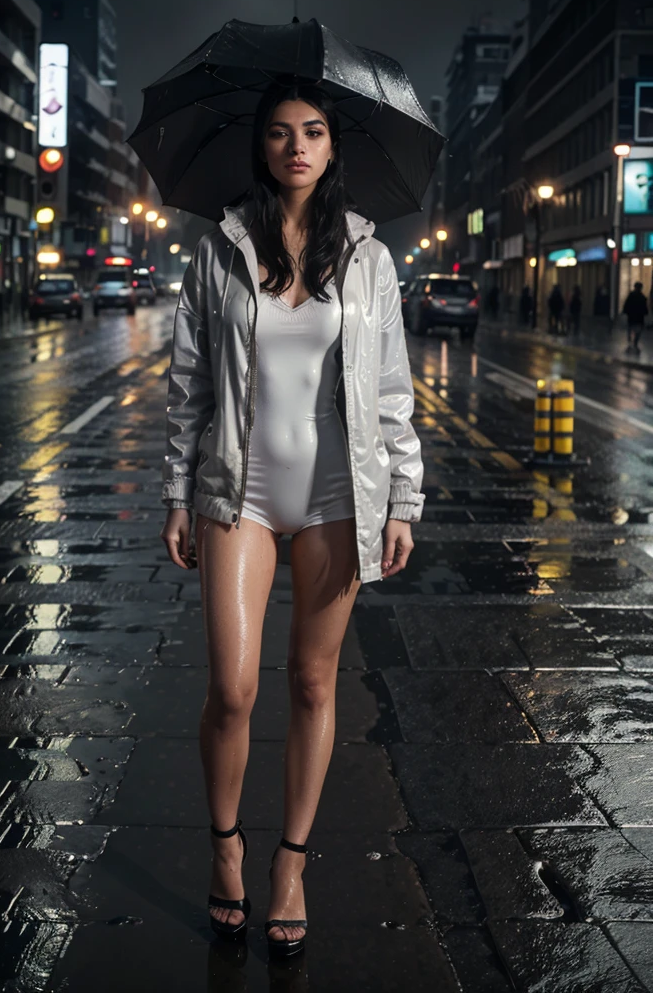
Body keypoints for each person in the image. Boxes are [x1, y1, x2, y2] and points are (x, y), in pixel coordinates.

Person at [160, 82, 424, 958]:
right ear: (261, 148)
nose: (296, 147)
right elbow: (189, 384)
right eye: (280, 134)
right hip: (239, 490)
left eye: (312, 132)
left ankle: (290, 867)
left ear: (334, 145)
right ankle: (226, 847)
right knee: (232, 689)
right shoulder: (220, 249)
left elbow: (391, 392)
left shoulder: (369, 260)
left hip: (336, 499)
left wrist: (403, 500)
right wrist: (176, 491)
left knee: (314, 684)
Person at [622, 282, 649, 353]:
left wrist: (625, 311)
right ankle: (634, 342)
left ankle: (632, 342)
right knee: (637, 330)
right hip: (638, 317)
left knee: (631, 329)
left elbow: (626, 305)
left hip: (633, 316)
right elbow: (644, 308)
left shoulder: (633, 296)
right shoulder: (642, 297)